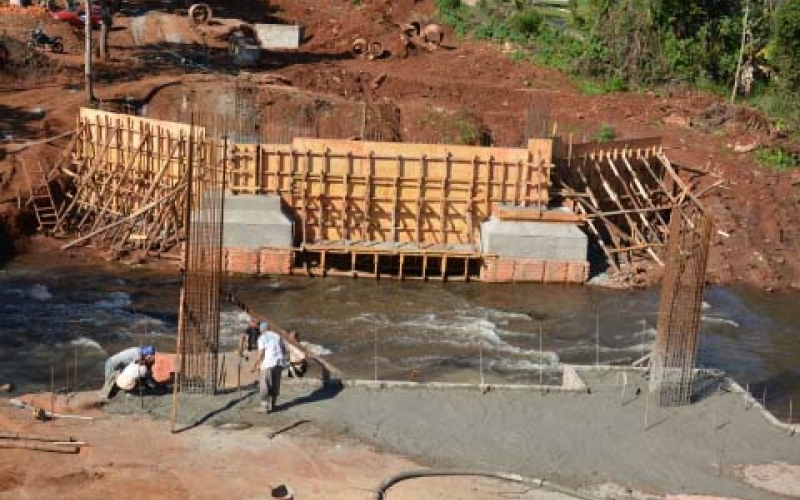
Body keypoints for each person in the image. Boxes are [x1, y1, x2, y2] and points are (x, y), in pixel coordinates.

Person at [251, 321, 285, 413]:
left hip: (268, 363)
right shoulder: (277, 336)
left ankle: (264, 407)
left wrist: (255, 365)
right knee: (275, 384)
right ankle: (273, 405)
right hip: (279, 363)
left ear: (261, 330)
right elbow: (283, 349)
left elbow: (261, 353)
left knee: (265, 385)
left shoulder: (262, 338)